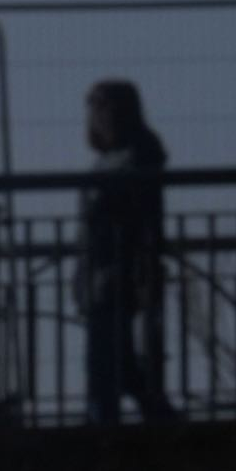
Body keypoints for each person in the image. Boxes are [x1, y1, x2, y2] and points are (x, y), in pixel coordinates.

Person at [78, 78, 183, 426]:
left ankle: (117, 415)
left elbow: (146, 216)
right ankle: (148, 407)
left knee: (107, 354)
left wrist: (145, 263)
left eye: (100, 106)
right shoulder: (110, 158)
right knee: (110, 353)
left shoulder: (139, 153)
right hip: (99, 266)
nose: (95, 114)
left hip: (120, 265)